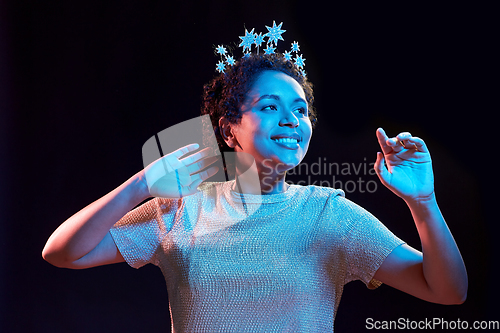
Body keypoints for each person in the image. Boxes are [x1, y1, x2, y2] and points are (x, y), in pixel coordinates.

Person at [42, 51, 467, 332]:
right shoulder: (181, 210)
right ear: (229, 130)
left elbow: (447, 291)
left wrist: (423, 203)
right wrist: (140, 186)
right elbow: (62, 252)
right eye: (270, 107)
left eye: (300, 109)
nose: (291, 119)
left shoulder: (330, 215)